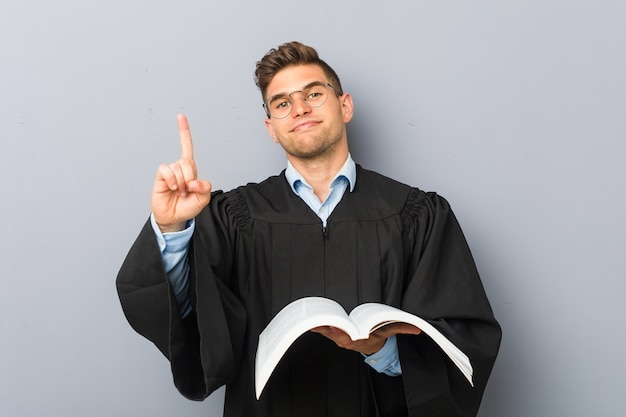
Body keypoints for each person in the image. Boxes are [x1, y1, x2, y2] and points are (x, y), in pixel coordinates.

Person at [117, 41, 501, 417]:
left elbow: (464, 343)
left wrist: (379, 351)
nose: (299, 108)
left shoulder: (416, 214)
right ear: (271, 126)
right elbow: (190, 317)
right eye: (282, 103)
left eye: (314, 93)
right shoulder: (234, 216)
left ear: (344, 105)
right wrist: (172, 226)